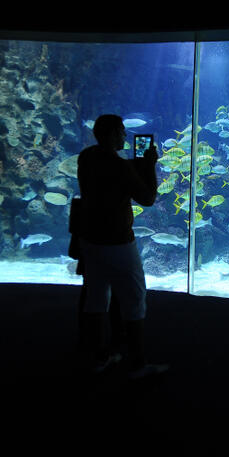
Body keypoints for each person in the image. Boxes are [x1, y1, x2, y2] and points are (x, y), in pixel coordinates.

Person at [75, 114, 167, 379]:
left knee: (96, 299)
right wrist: (149, 166)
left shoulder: (87, 157)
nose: (126, 136)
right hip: (118, 243)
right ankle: (137, 364)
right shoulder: (119, 167)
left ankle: (99, 357)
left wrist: (134, 165)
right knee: (134, 299)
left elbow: (110, 172)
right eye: (122, 131)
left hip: (90, 240)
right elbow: (147, 198)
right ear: (112, 134)